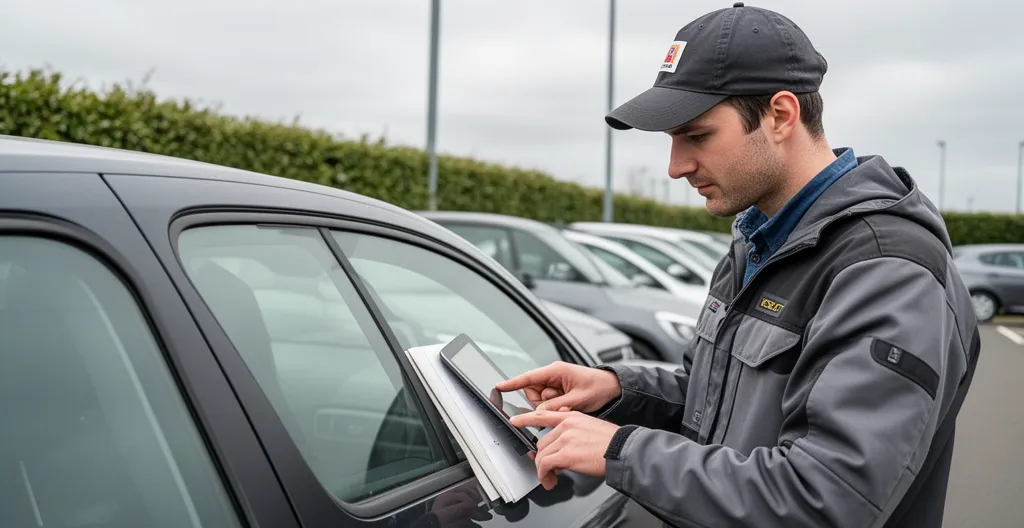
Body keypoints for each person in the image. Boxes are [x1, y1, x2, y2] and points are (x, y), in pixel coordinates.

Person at [498, 3, 981, 527]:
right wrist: (620, 392)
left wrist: (622, 451)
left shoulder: (884, 269)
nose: (676, 166)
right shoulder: (758, 241)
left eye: (697, 135)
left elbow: (827, 500)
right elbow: (718, 404)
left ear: (780, 115)